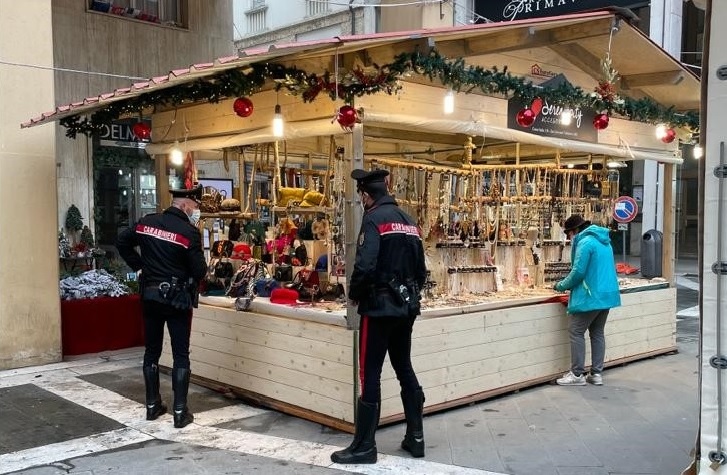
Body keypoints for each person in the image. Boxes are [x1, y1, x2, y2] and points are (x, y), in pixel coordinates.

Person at [330, 169, 428, 464]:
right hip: (406, 308)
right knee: (404, 368)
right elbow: (421, 271)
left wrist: (354, 294)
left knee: (369, 374)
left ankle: (364, 446)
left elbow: (365, 267)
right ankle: (416, 437)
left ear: (364, 195)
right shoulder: (410, 221)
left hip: (378, 307)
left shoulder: (373, 220)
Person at [116, 184, 207, 428]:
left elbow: (122, 241)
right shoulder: (189, 232)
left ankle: (152, 405)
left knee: (151, 351)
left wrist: (138, 266)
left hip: (150, 296)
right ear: (186, 204)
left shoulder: (147, 222)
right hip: (178, 300)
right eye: (196, 206)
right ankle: (180, 411)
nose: (196, 210)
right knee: (180, 354)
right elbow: (200, 271)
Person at [554, 214, 621, 386]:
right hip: (607, 294)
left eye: (569, 234)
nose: (569, 238)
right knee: (597, 332)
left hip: (591, 295)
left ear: (575, 230)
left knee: (576, 331)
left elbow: (578, 272)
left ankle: (577, 374)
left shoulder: (585, 243)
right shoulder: (604, 241)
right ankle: (596, 374)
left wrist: (561, 285)